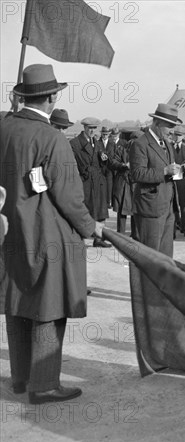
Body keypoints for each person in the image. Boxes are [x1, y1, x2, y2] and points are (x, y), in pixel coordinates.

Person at [0, 64, 104, 404]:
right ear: (51, 97)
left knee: (17, 305)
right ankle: (43, 385)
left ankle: (20, 379)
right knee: (49, 307)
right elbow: (70, 197)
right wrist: (91, 228)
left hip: (8, 232)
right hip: (45, 234)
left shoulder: (3, 129)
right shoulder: (52, 138)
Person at [129, 103, 181, 256]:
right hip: (150, 208)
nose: (172, 131)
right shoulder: (141, 144)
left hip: (168, 206)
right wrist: (164, 170)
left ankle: (162, 281)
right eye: (169, 126)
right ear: (157, 123)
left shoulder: (167, 144)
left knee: (165, 256)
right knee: (150, 256)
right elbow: (137, 173)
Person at [70, 117, 111, 247]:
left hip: (98, 181)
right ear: (84, 128)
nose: (92, 131)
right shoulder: (75, 143)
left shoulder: (98, 143)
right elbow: (71, 165)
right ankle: (79, 238)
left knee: (100, 210)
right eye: (90, 128)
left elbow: (103, 162)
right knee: (84, 210)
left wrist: (104, 160)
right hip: (85, 181)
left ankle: (98, 239)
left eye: (94, 128)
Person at [111, 130, 138, 236]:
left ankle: (135, 233)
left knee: (135, 210)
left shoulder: (143, 151)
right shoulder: (121, 150)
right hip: (124, 183)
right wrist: (123, 165)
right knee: (122, 209)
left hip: (136, 184)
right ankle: (120, 233)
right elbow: (113, 162)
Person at [171, 126, 185, 238]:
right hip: (171, 181)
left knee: (184, 205)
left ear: (184, 136)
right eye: (176, 134)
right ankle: (173, 229)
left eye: (179, 135)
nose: (177, 137)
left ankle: (184, 228)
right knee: (172, 205)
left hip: (183, 181)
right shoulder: (168, 147)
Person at [99, 126, 115, 209]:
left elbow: (114, 155)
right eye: (103, 134)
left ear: (109, 134)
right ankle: (102, 202)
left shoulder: (112, 143)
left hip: (109, 167)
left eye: (106, 134)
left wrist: (108, 157)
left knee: (109, 185)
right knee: (101, 185)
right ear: (101, 133)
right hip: (100, 167)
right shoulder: (97, 143)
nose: (105, 136)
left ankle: (108, 202)